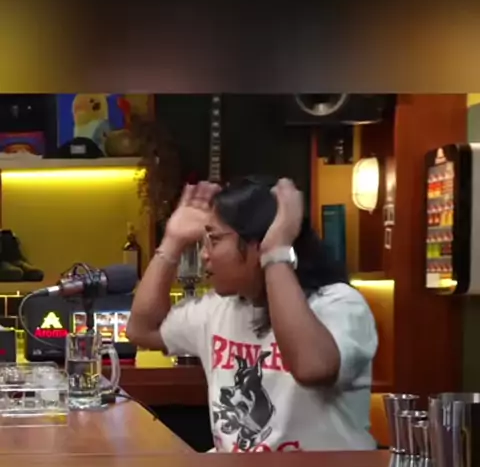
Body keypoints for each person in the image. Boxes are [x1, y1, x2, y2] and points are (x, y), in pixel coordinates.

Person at [126, 176, 378, 452]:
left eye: (214, 240)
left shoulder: (339, 304)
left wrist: (276, 252)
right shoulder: (220, 308)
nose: (205, 255)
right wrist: (172, 242)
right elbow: (142, 330)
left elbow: (312, 368)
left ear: (258, 244)